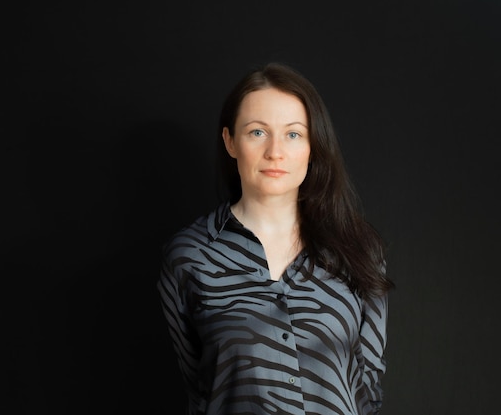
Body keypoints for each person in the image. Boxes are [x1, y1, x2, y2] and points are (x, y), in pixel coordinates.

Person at [157, 62, 395, 415]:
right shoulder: (188, 256)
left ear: (313, 146)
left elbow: (368, 385)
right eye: (257, 132)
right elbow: (200, 386)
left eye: (293, 134)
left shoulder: (358, 248)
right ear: (230, 141)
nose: (275, 152)